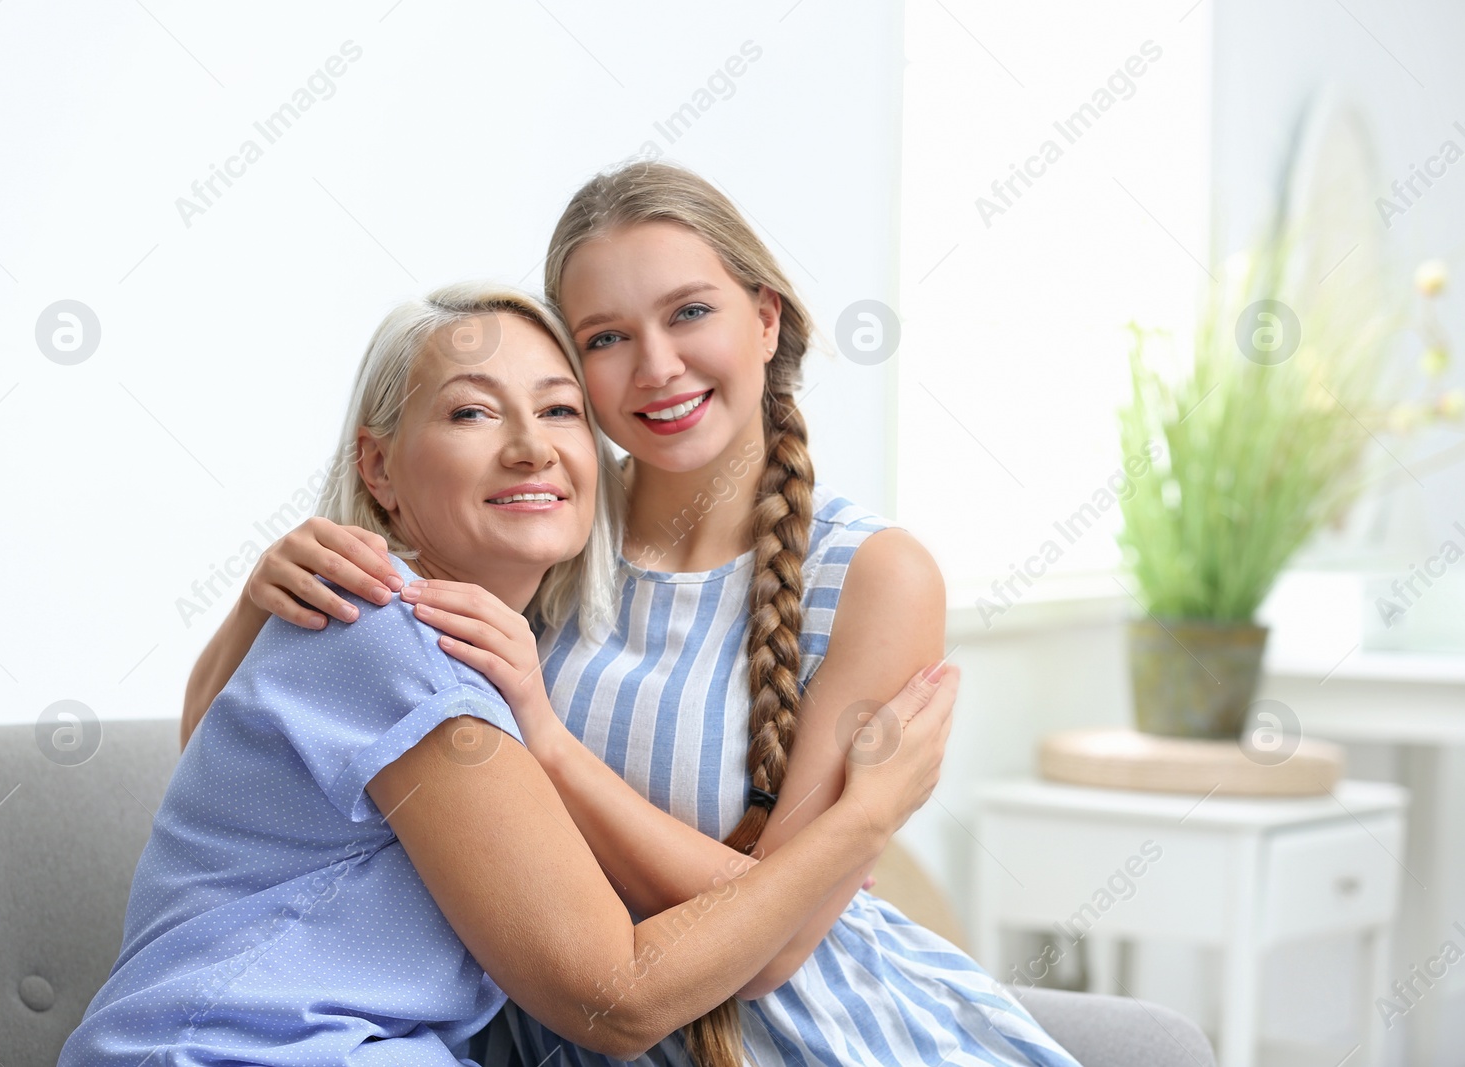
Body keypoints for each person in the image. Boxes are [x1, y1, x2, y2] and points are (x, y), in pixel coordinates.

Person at [182, 163, 1078, 1067]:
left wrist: (550, 740)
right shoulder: (537, 525)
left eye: (691, 312)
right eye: (606, 337)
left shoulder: (873, 574)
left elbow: (784, 942)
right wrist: (260, 598)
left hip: (808, 1033)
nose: (656, 367)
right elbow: (249, 763)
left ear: (765, 319)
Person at [60, 282, 958, 1067]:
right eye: (472, 412)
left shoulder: (476, 649)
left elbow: (225, 770)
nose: (530, 446)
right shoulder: (388, 632)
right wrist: (866, 817)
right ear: (377, 466)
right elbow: (619, 998)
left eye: (560, 409)